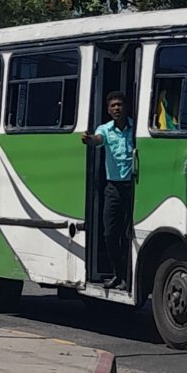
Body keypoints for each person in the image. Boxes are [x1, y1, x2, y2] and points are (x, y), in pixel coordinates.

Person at [82, 91, 134, 290]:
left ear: (125, 107)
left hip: (133, 188)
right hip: (113, 188)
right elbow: (97, 139)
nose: (116, 108)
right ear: (108, 109)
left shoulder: (135, 129)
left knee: (129, 235)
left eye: (119, 104)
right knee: (110, 234)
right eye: (113, 106)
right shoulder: (105, 129)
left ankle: (127, 277)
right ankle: (118, 274)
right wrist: (89, 139)